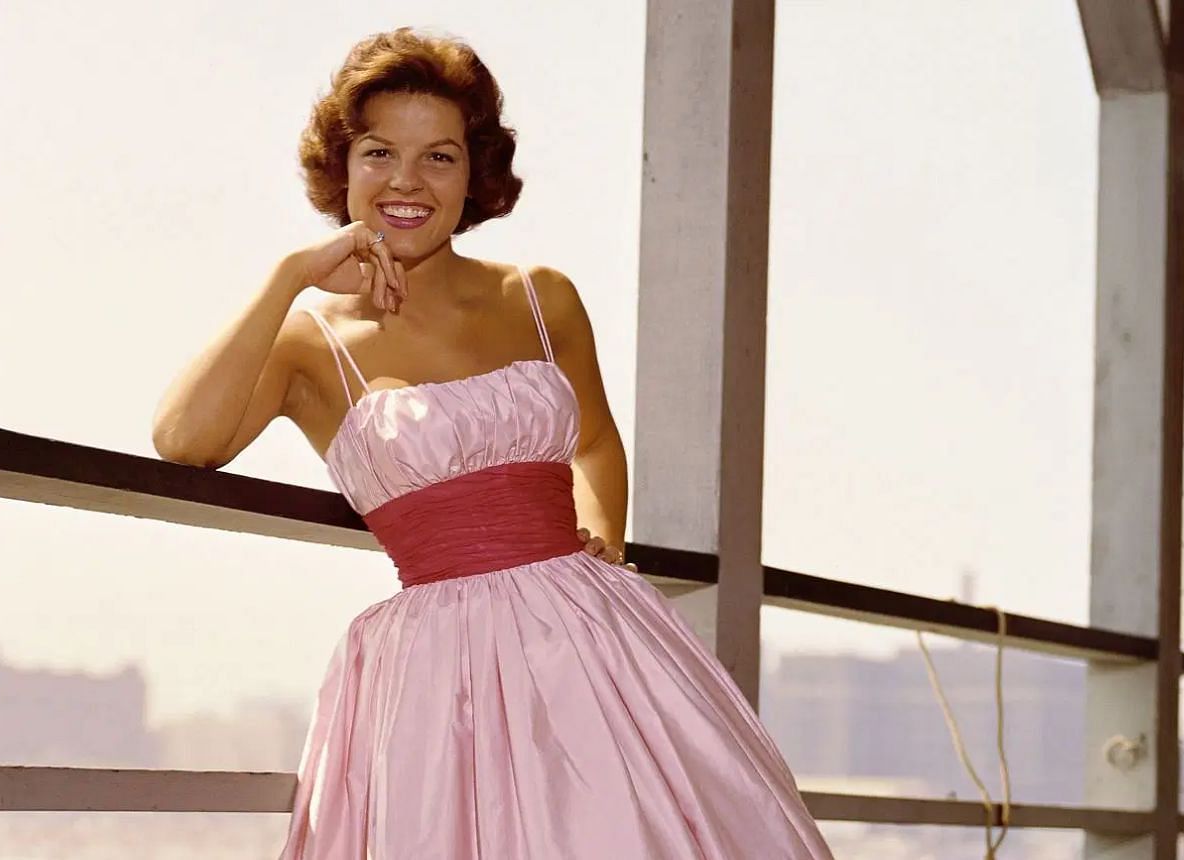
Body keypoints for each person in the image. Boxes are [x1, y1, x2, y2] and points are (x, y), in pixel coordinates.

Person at [152, 27, 833, 860]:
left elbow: (592, 442)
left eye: (437, 156)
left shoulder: (540, 298)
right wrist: (290, 274)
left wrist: (601, 544)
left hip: (593, 638)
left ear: (475, 173)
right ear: (342, 168)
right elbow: (185, 440)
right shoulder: (306, 342)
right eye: (377, 153)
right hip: (440, 673)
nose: (405, 181)